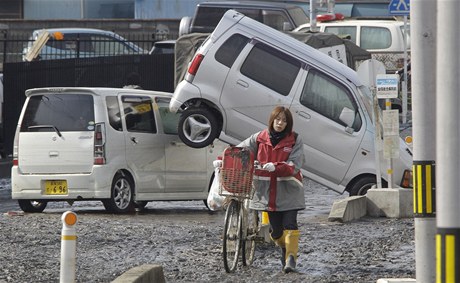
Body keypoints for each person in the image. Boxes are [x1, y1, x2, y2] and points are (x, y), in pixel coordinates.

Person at [214, 106, 306, 273]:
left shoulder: (295, 140)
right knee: (275, 231)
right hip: (267, 193)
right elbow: (240, 150)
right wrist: (221, 160)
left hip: (289, 192)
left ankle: (291, 259)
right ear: (272, 120)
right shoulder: (259, 138)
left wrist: (277, 166)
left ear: (288, 124)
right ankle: (284, 247)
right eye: (278, 119)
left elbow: (295, 164)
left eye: (284, 121)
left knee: (290, 224)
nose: (280, 123)